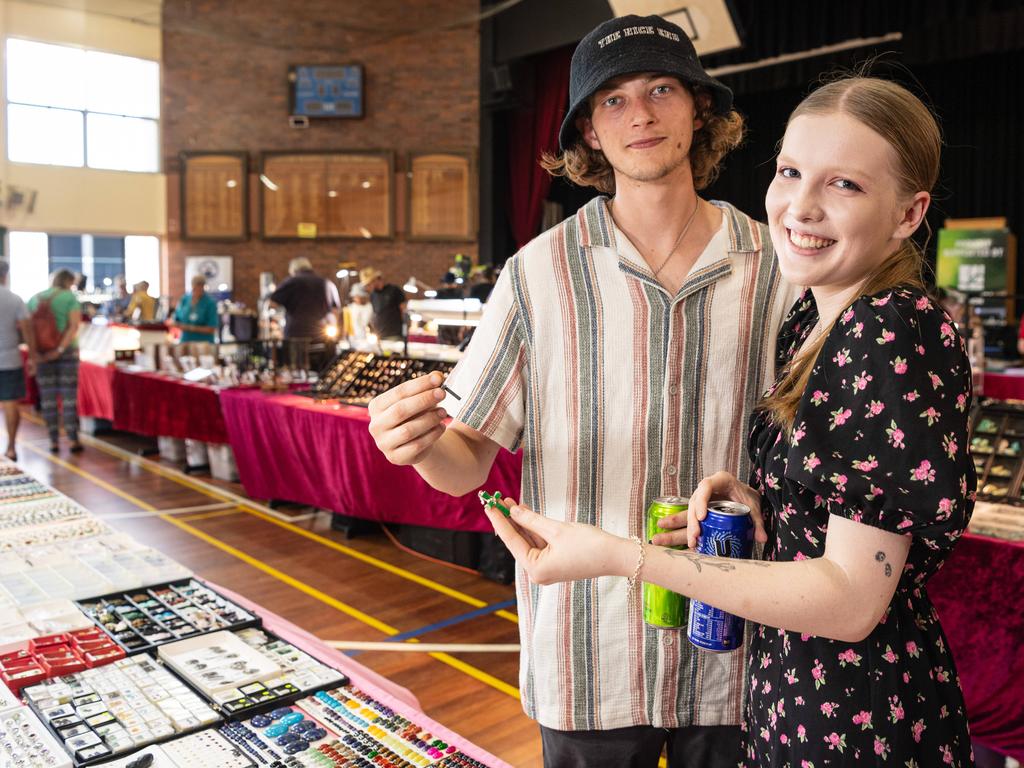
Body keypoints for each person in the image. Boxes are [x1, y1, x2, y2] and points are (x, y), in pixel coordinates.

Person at [484, 76, 976, 767]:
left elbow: (850, 602)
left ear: (908, 213)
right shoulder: (813, 315)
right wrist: (763, 500)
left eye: (846, 186)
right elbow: (833, 510)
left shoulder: (891, 331)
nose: (801, 207)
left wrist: (622, 557)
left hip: (856, 721)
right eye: (791, 172)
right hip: (788, 695)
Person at [368, 14, 799, 767]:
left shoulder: (777, 267)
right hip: (589, 647)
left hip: (740, 642)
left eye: (661, 88)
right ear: (590, 133)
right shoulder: (536, 274)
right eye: (613, 99)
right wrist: (422, 445)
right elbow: (468, 455)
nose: (641, 113)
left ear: (697, 107)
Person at [28, 269, 83, 454]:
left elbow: (28, 328)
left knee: (48, 399)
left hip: (42, 353)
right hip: (66, 353)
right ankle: (73, 439)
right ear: (69, 281)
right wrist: (59, 349)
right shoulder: (69, 297)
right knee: (68, 398)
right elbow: (73, 326)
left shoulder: (36, 298)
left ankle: (53, 440)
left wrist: (34, 353)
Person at [270, 257, 341, 370]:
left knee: (297, 374)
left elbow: (272, 303)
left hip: (296, 336)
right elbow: (335, 311)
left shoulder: (292, 281)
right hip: (322, 335)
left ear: (293, 270)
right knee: (323, 372)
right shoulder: (327, 283)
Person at [0, 261, 35, 460]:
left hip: (8, 357)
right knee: (11, 403)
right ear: (5, 275)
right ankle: (11, 447)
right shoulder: (14, 299)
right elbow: (27, 329)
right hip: (9, 357)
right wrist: (32, 356)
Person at [360, 267, 406, 341]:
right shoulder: (373, 295)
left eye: (368, 284)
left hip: (394, 335)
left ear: (375, 279)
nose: (367, 287)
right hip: (379, 336)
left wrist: (405, 330)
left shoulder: (394, 290)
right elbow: (376, 314)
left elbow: (404, 311)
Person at [170, 275, 218, 345]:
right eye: (196, 286)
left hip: (204, 342)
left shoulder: (210, 303)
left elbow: (211, 328)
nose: (198, 289)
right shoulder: (185, 299)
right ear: (192, 286)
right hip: (186, 341)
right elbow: (176, 318)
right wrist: (174, 323)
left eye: (201, 286)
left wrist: (189, 328)